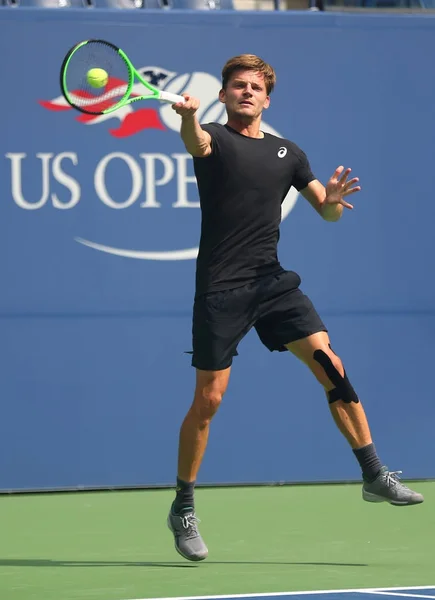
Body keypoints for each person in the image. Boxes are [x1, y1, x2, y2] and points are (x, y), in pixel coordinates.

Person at [166, 54, 424, 562]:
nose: (246, 92)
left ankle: (373, 473)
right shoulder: (214, 137)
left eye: (255, 87)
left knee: (330, 363)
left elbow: (325, 212)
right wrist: (188, 116)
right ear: (223, 95)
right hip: (221, 287)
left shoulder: (289, 153)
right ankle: (184, 505)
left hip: (272, 282)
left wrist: (331, 200)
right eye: (237, 85)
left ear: (267, 98)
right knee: (210, 400)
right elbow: (193, 142)